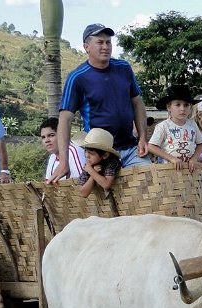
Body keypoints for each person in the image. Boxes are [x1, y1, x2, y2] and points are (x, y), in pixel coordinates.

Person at [50, 22, 150, 184]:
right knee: (102, 201)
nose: (105, 46)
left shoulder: (124, 68)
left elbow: (138, 103)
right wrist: (63, 161)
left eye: (108, 42)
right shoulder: (77, 78)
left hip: (131, 149)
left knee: (150, 182)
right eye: (100, 42)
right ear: (86, 47)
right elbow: (64, 119)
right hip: (100, 155)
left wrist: (143, 138)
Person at [148, 84, 202, 173]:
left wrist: (194, 158)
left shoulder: (192, 125)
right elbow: (151, 146)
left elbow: (201, 144)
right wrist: (171, 158)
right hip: (168, 170)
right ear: (169, 107)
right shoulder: (163, 126)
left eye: (186, 105)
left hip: (189, 170)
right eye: (178, 105)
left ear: (190, 108)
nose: (182, 109)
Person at [75, 128, 121, 198]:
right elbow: (83, 193)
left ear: (105, 155)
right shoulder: (89, 164)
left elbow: (106, 185)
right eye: (86, 151)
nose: (87, 156)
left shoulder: (112, 162)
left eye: (91, 153)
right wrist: (93, 172)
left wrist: (91, 171)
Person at [40, 117, 86, 182]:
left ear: (62, 135)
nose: (46, 140)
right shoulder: (52, 157)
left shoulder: (73, 151)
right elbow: (48, 183)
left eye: (51, 135)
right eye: (43, 137)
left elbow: (82, 183)